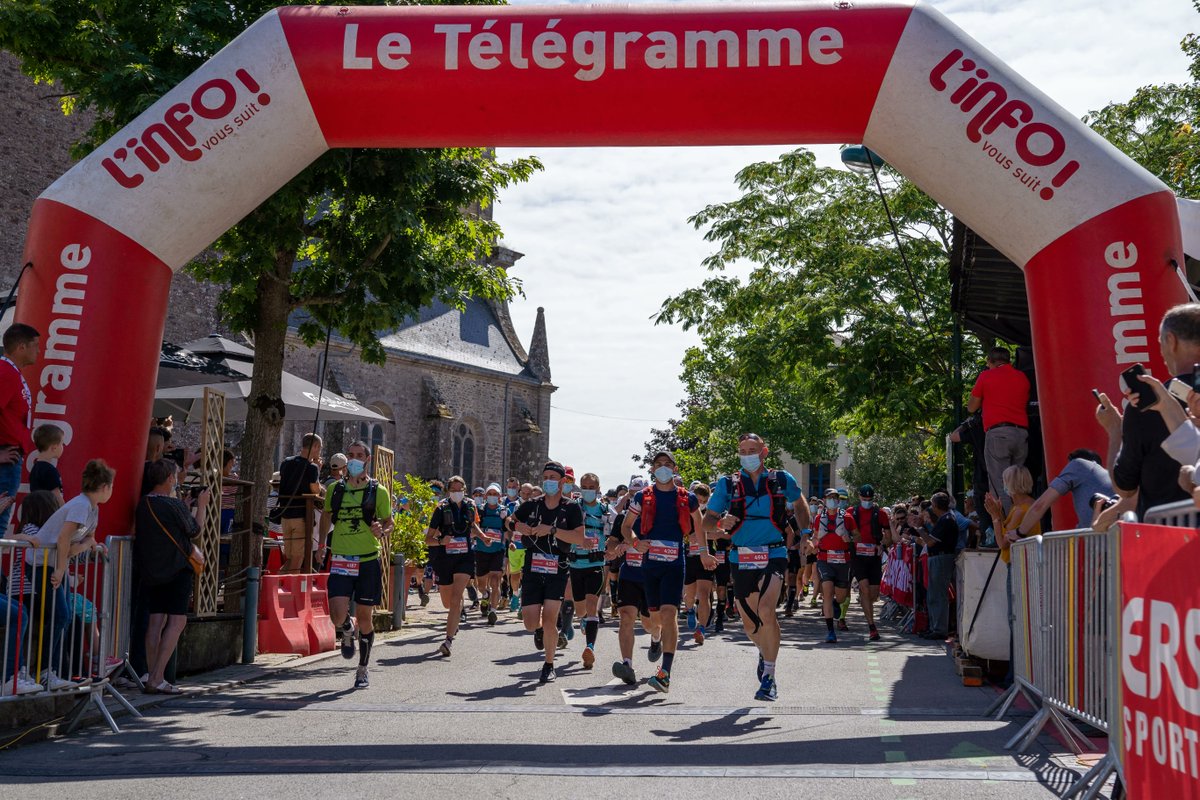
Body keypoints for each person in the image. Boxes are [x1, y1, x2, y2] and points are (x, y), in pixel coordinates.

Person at [705, 433, 809, 701]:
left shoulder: (781, 479)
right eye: (742, 450)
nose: (747, 454)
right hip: (741, 557)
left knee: (767, 610)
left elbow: (799, 504)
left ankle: (770, 678)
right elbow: (707, 524)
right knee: (751, 626)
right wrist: (720, 525)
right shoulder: (727, 484)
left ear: (764, 452)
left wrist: (806, 533)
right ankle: (765, 651)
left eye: (753, 449)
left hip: (774, 553)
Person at [623, 452, 709, 693]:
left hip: (674, 563)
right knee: (652, 621)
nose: (663, 468)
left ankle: (665, 673)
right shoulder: (642, 496)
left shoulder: (687, 498)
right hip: (650, 565)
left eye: (667, 464)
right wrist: (634, 541)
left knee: (670, 613)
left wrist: (703, 552)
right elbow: (626, 526)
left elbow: (699, 525)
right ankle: (655, 637)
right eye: (658, 464)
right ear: (652, 469)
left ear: (675, 468)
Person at [318, 440, 393, 688]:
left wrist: (381, 530)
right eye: (350, 455)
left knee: (366, 618)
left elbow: (389, 522)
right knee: (337, 616)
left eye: (359, 455)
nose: (353, 459)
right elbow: (327, 515)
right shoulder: (335, 490)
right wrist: (321, 545)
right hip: (340, 559)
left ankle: (362, 668)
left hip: (368, 560)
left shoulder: (378, 491)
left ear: (368, 459)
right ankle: (346, 628)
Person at [512, 462, 586, 683]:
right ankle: (539, 631)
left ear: (563, 481)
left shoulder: (571, 507)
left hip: (557, 568)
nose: (548, 481)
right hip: (533, 567)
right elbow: (509, 521)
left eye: (553, 477)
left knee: (551, 617)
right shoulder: (532, 505)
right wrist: (518, 527)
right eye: (545, 477)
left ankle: (549, 664)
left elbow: (579, 538)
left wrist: (551, 530)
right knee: (530, 623)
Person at [136, 458, 203, 695]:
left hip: (152, 570)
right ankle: (157, 677)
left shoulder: (144, 503)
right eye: (175, 476)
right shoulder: (172, 505)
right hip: (176, 570)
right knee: (176, 622)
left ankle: (153, 673)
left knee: (155, 622)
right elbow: (195, 530)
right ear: (169, 479)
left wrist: (183, 505)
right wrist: (200, 505)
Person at [606, 476, 663, 685]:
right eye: (631, 495)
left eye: (637, 495)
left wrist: (634, 544)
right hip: (629, 574)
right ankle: (627, 665)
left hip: (650, 576)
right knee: (626, 618)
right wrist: (614, 549)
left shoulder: (656, 518)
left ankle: (656, 638)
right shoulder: (622, 519)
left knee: (650, 624)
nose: (634, 499)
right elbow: (612, 543)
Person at [423, 475, 484, 657]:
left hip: (465, 557)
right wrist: (442, 540)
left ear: (465, 489)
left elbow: (473, 526)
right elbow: (428, 540)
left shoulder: (471, 506)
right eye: (453, 490)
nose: (457, 493)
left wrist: (483, 536)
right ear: (448, 491)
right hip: (445, 558)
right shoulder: (441, 509)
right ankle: (455, 617)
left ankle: (448, 640)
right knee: (448, 602)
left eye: (460, 490)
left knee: (457, 598)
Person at [967, 347, 1031, 513]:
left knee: (1000, 484)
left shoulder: (986, 376)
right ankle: (1024, 522)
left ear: (990, 361)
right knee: (1017, 483)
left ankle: (1009, 527)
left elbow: (972, 407)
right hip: (1021, 434)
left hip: (998, 434)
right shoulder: (1022, 377)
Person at [1016, 449, 1113, 536]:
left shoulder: (1078, 464)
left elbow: (1040, 505)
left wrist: (1019, 532)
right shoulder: (1108, 480)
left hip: (1100, 545)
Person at [0, 323, 38, 533]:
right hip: (6, 460)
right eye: (35, 345)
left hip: (10, 459)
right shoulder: (5, 373)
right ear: (21, 347)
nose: (38, 351)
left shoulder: (11, 373)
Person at [569, 472, 608, 668]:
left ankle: (590, 648)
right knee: (580, 609)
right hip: (576, 565)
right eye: (584, 486)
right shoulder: (574, 509)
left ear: (598, 489)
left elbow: (620, 527)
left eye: (591, 487)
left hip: (595, 565)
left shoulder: (606, 511)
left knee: (592, 606)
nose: (588, 490)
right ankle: (583, 620)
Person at [813, 487, 856, 642]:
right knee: (827, 592)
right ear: (824, 501)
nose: (832, 500)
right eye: (829, 498)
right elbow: (816, 538)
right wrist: (812, 544)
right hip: (824, 559)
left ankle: (835, 604)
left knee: (841, 596)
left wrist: (848, 538)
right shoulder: (819, 518)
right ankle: (831, 631)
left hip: (843, 560)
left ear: (839, 501)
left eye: (835, 498)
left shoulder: (848, 517)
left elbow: (856, 537)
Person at [848, 484, 890, 642]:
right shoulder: (851, 513)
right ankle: (872, 627)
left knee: (873, 594)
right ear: (859, 497)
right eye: (864, 498)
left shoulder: (880, 514)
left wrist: (883, 545)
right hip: (858, 556)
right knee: (864, 588)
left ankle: (866, 604)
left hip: (874, 556)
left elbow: (888, 535)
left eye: (869, 499)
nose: (867, 501)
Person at [277, 434, 323, 573]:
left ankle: (278, 584)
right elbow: (315, 490)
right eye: (319, 448)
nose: (319, 451)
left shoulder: (286, 462)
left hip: (285, 515)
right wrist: (318, 470)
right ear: (315, 447)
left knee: (290, 558)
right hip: (301, 517)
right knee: (297, 560)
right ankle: (291, 591)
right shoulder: (312, 468)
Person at [917, 492, 959, 641]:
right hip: (937, 557)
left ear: (935, 506)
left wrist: (920, 529)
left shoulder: (947, 519)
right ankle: (934, 627)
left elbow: (931, 542)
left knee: (939, 595)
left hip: (941, 558)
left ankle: (940, 629)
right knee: (933, 595)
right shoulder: (944, 519)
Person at [683, 483, 715, 642]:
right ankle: (689, 610)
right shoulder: (684, 513)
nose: (700, 503)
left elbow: (721, 534)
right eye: (698, 499)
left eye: (704, 500)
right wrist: (689, 538)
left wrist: (705, 536)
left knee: (703, 594)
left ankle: (701, 629)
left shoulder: (711, 514)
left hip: (706, 557)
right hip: (689, 557)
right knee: (689, 596)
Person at [475, 484, 508, 626]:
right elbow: (474, 528)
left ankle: (493, 611)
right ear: (486, 496)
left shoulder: (503, 512)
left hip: (497, 551)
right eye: (490, 493)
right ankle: (485, 595)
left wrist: (510, 543)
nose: (492, 496)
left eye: (495, 494)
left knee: (495, 581)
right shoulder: (480, 511)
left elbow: (507, 530)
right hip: (482, 551)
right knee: (481, 584)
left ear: (499, 497)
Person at [29, 423, 65, 502]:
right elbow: (57, 498)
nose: (63, 447)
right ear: (54, 448)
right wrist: (67, 513)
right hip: (50, 513)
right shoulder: (50, 471)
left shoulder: (35, 469)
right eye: (62, 444)